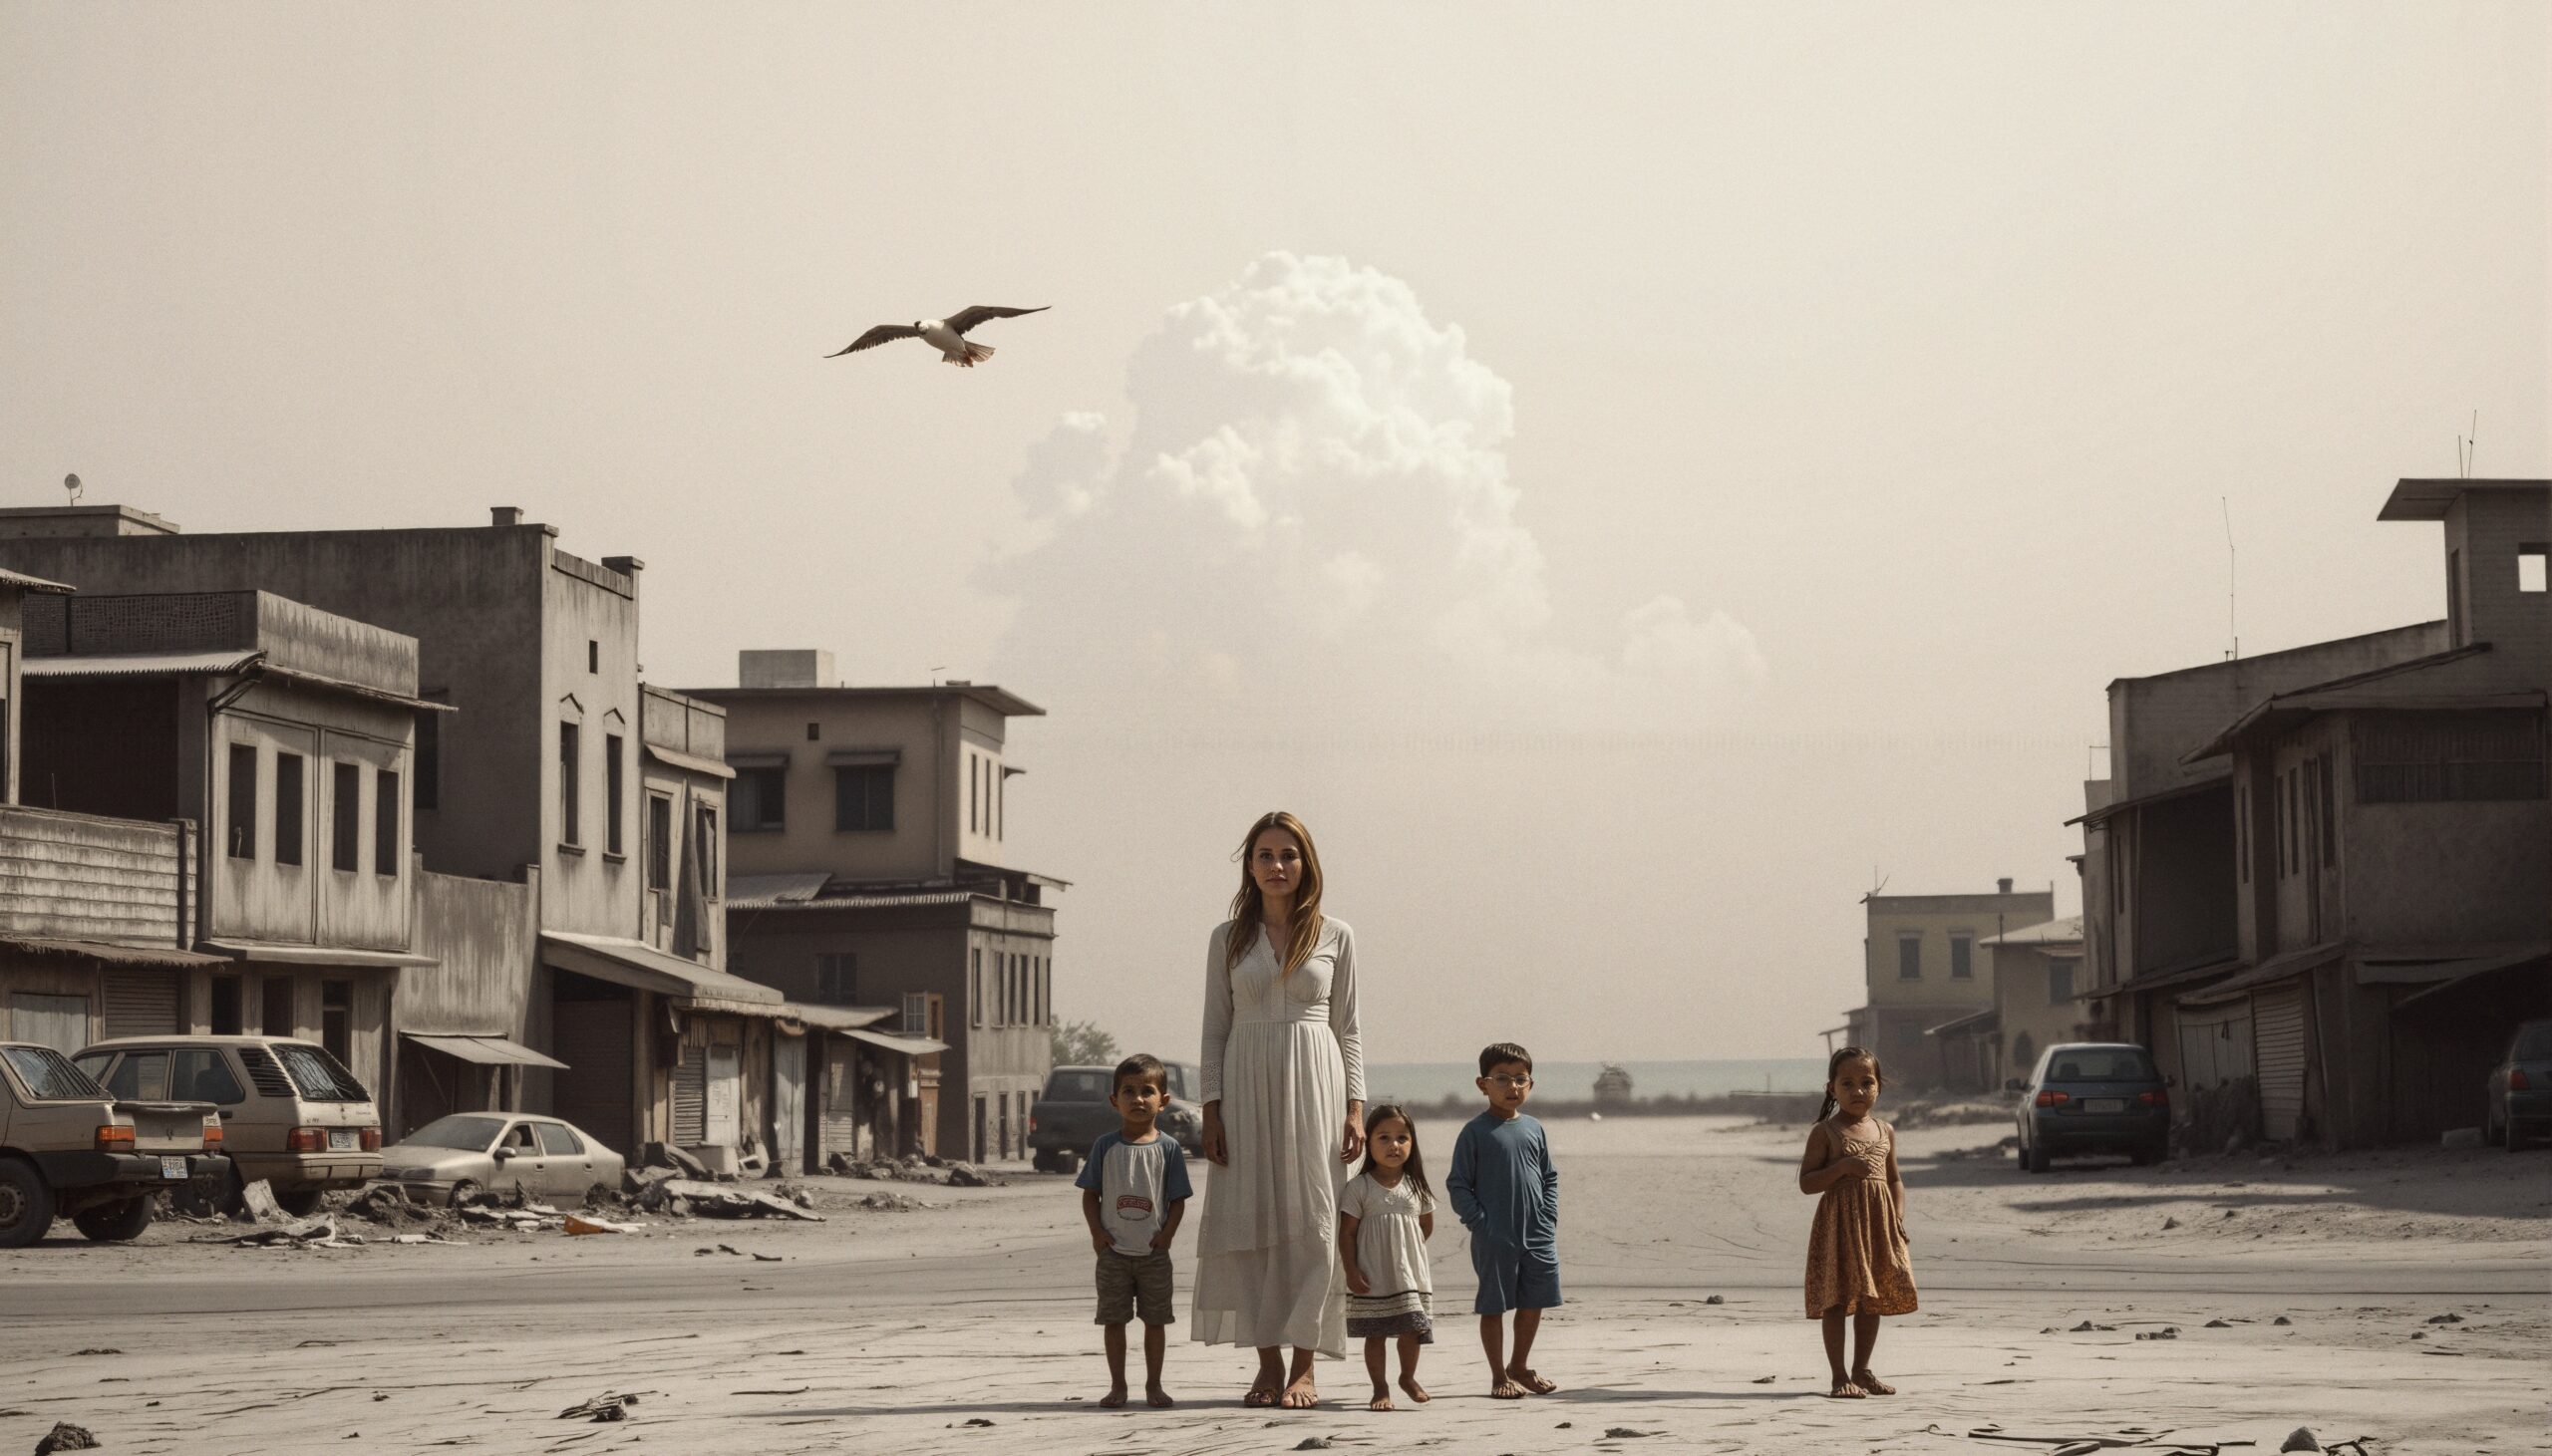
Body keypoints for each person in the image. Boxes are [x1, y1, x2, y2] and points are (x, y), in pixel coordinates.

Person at [1194, 810, 1366, 1410]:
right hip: (1243, 1085)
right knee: (1252, 1220)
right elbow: (1215, 1029)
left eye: (1288, 855)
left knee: (1313, 1222)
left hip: (1317, 1084)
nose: (1276, 866)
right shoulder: (1227, 937)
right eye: (1264, 855)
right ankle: (1266, 1362)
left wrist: (1355, 1108)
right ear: (1250, 864)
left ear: (1306, 864)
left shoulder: (1337, 934)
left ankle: (1304, 1365)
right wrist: (1210, 1108)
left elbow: (1347, 1027)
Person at [1797, 1044, 1916, 1399]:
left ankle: (1862, 1371)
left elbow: (1894, 1179)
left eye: (1867, 1082)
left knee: (1871, 1297)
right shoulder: (1825, 1132)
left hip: (1877, 1224)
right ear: (1832, 1088)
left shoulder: (1885, 1130)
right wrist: (1842, 1168)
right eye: (1847, 1084)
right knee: (1836, 1299)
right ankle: (1838, 1377)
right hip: (1839, 1225)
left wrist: (1896, 1217)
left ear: (1879, 1086)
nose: (1858, 1091)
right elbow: (1807, 1183)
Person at [1078, 1052, 1194, 1409]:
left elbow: (1177, 1201)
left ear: (1164, 1102)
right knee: (1114, 1321)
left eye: (1148, 1091)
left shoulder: (1170, 1149)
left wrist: (1166, 1237)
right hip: (1113, 1255)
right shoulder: (1104, 1146)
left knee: (1155, 1322)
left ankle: (1154, 1386)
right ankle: (1118, 1386)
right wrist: (1098, 1234)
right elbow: (1090, 1195)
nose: (1138, 1099)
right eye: (1128, 1091)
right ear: (1115, 1101)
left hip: (1154, 1255)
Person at [1445, 1041, 1561, 1399]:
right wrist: (1481, 1224)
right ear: (1483, 1084)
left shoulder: (1534, 1128)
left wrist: (1548, 1215)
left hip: (1537, 1233)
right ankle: (1499, 1376)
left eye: (1520, 1079)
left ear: (1530, 1084)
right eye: (1502, 1079)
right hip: (1494, 1235)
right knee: (1494, 1305)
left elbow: (1549, 1177)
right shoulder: (1475, 1132)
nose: (1512, 1087)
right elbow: (1458, 1185)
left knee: (1534, 1300)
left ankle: (1520, 1366)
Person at [1338, 1103, 1436, 1411]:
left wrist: (1406, 1255)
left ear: (1412, 1143)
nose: (1394, 1145)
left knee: (1412, 1328)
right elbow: (1347, 1234)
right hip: (1372, 1274)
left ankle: (1407, 1377)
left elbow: (1425, 1227)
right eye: (1384, 1137)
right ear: (1368, 1142)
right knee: (1377, 1333)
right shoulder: (1359, 1187)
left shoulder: (1417, 1186)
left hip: (1409, 1274)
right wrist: (1352, 1271)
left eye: (1402, 1138)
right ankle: (1380, 1387)